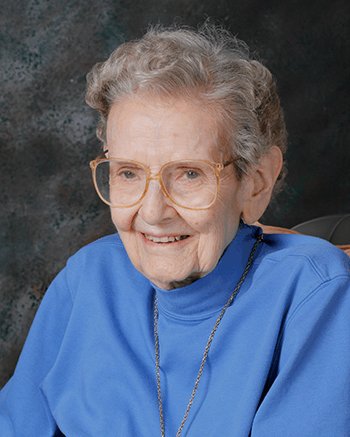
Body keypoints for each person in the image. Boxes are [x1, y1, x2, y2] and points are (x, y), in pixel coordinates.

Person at [0, 23, 349, 437]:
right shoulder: (88, 277)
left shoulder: (315, 293)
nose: (152, 212)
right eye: (129, 173)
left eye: (188, 174)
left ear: (255, 182)